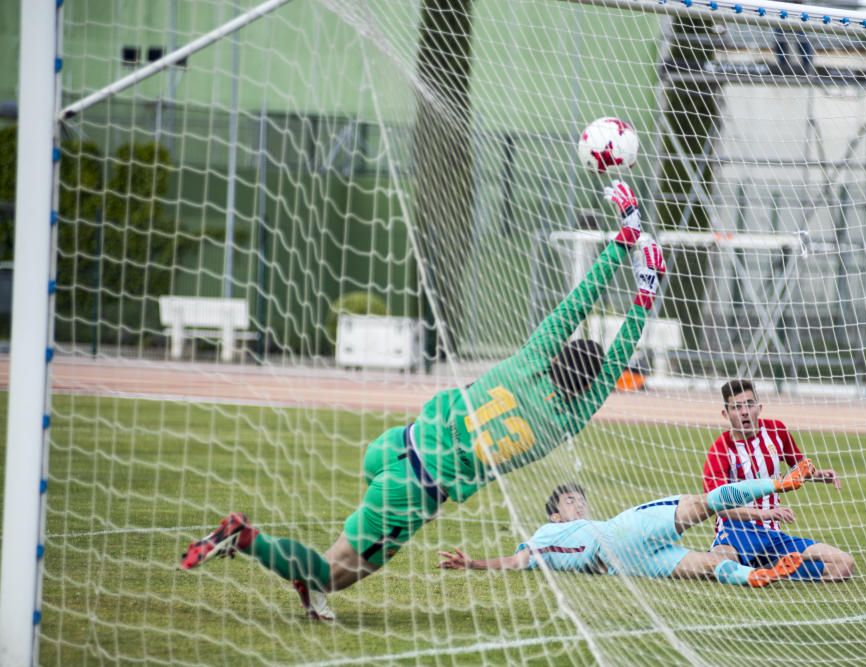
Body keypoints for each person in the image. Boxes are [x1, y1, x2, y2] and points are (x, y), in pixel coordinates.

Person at [180, 180, 667, 620]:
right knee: (334, 570)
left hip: (396, 443)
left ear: (557, 355)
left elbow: (575, 304)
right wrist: (646, 294)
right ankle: (245, 538)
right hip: (417, 487)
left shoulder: (527, 361)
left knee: (359, 565)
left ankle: (311, 590)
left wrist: (624, 239)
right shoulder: (567, 419)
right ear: (590, 385)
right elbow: (615, 360)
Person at [437, 461, 816, 588]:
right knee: (701, 504)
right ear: (554, 516)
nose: (579, 501)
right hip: (622, 535)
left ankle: (755, 577)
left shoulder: (579, 527)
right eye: (570, 501)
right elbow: (516, 561)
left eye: (580, 497)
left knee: (706, 565)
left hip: (625, 564)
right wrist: (473, 563)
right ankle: (780, 482)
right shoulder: (542, 536)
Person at [702, 379, 855, 582]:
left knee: (844, 564)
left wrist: (818, 475)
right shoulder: (720, 450)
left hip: (773, 536)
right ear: (725, 414)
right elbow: (718, 507)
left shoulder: (776, 431)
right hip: (736, 533)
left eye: (749, 404)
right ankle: (755, 569)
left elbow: (798, 467)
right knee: (716, 563)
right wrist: (764, 513)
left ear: (759, 407)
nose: (745, 412)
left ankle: (768, 569)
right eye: (737, 407)